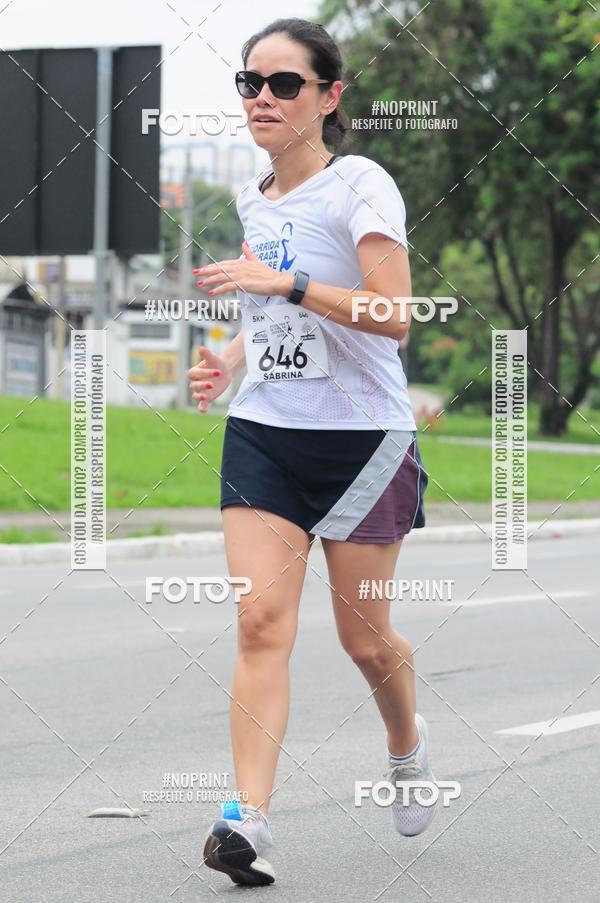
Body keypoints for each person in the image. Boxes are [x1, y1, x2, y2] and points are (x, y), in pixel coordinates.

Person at [187, 17, 436, 888]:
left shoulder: (359, 184)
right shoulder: (255, 197)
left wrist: (285, 280)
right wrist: (226, 361)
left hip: (364, 440)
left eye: (282, 84)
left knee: (365, 639)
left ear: (328, 97)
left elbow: (394, 315)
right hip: (265, 436)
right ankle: (246, 817)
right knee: (260, 623)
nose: (261, 97)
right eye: (249, 82)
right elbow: (270, 320)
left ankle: (406, 748)